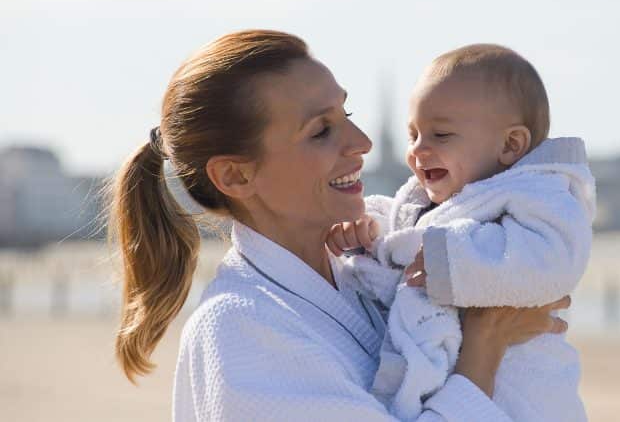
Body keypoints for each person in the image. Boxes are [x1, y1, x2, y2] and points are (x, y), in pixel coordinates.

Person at [107, 30, 572, 421]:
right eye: (321, 131)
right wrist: (485, 344)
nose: (362, 142)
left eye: (345, 115)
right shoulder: (239, 329)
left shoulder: (367, 267)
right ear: (235, 175)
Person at [326, 44, 595, 421]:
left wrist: (455, 264)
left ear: (510, 144)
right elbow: (404, 232)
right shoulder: (428, 199)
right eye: (413, 134)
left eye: (441, 134)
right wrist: (369, 231)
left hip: (522, 385)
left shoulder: (537, 194)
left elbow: (553, 256)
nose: (419, 150)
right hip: (459, 376)